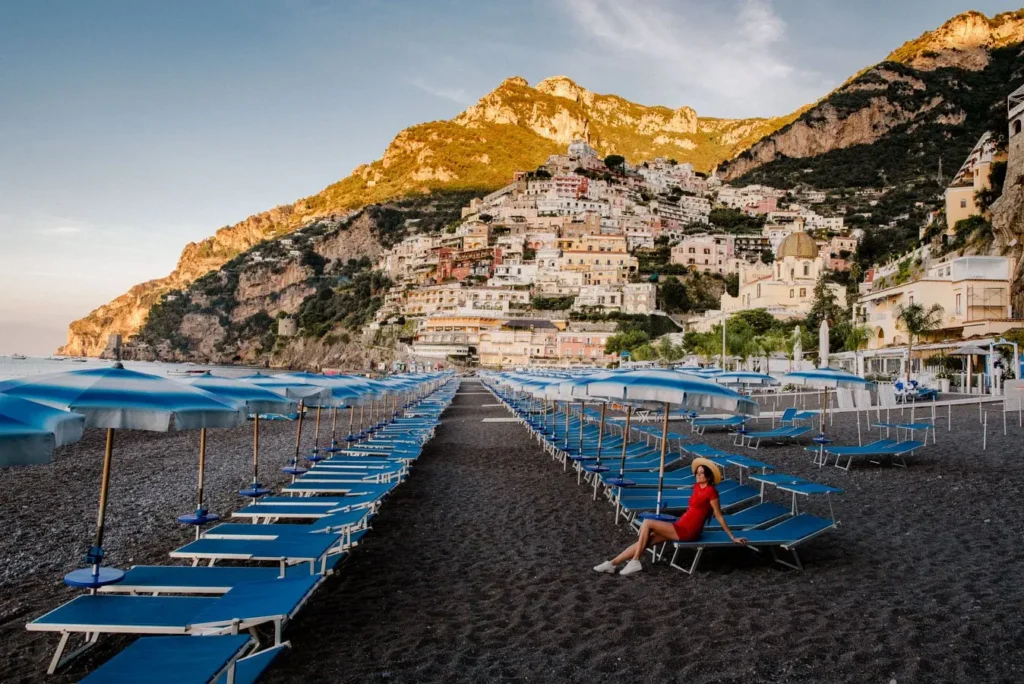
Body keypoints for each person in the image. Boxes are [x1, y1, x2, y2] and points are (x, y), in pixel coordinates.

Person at [593, 458, 747, 576]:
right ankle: (612, 563)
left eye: (701, 473)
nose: (697, 475)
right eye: (697, 472)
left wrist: (732, 537)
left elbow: (719, 515)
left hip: (688, 531)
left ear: (708, 476)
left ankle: (635, 561)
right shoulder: (696, 487)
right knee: (646, 540)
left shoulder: (712, 492)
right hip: (681, 524)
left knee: (647, 523)